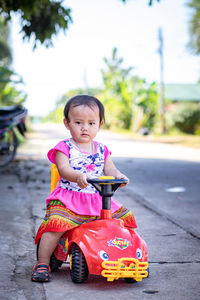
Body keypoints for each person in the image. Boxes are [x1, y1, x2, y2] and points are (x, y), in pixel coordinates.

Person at [32, 95, 137, 282]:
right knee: (55, 225)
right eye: (78, 122)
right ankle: (43, 262)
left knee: (124, 222)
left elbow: (110, 169)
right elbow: (63, 170)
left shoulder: (102, 149)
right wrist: (77, 176)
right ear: (67, 123)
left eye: (91, 123)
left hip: (97, 200)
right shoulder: (64, 147)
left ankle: (126, 258)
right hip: (69, 199)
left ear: (100, 124)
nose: (84, 128)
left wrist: (119, 176)